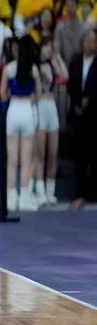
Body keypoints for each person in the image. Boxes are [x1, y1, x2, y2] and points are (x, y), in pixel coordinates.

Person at [0, 36, 41, 212]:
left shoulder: (8, 69)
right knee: (26, 160)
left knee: (12, 160)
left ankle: (11, 199)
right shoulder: (34, 69)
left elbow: (2, 93)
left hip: (14, 110)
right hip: (27, 110)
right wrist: (30, 98)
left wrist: (10, 96)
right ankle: (24, 198)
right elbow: (38, 95)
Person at [33, 38, 68, 206]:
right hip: (40, 107)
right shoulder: (35, 66)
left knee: (53, 153)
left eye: (50, 47)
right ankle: (40, 191)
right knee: (40, 154)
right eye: (46, 46)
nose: (48, 50)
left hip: (51, 108)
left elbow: (65, 76)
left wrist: (57, 57)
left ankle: (50, 192)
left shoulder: (52, 65)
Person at [67, 29, 97, 210]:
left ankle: (92, 193)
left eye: (93, 41)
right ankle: (79, 193)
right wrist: (78, 102)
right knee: (79, 156)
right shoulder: (76, 60)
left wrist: (88, 100)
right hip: (77, 116)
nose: (90, 44)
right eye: (88, 40)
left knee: (93, 155)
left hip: (93, 115)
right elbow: (71, 84)